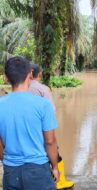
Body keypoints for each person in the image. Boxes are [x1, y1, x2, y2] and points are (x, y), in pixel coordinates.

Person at [0, 56, 59, 190]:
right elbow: (50, 141)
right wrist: (55, 167)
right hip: (38, 170)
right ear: (30, 74)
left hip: (11, 172)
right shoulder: (43, 105)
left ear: (6, 77)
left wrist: (8, 161)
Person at [29, 64, 74, 190]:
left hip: (25, 130)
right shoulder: (43, 89)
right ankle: (60, 182)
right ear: (40, 74)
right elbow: (51, 110)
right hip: (42, 130)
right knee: (54, 154)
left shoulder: (21, 88)